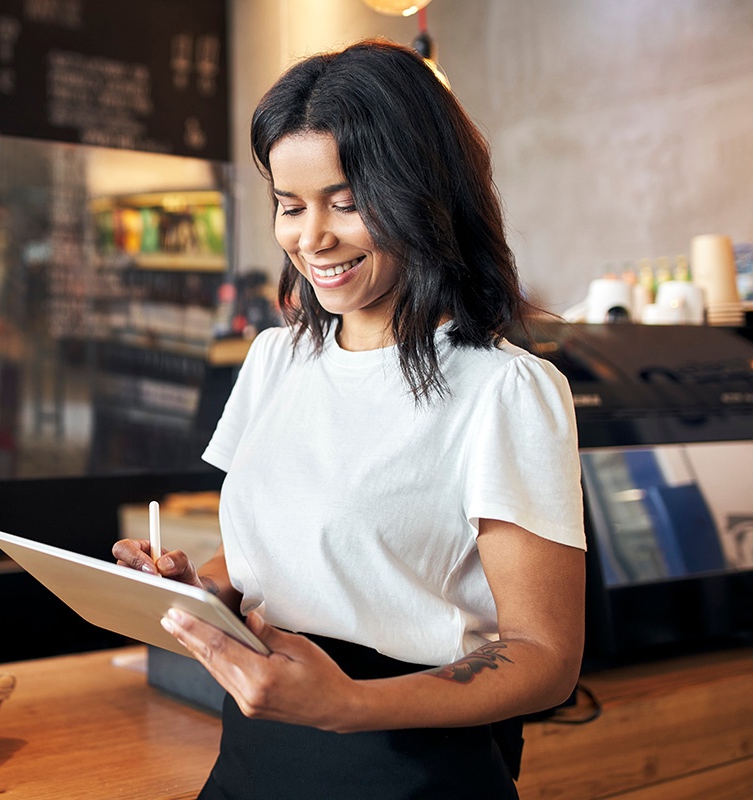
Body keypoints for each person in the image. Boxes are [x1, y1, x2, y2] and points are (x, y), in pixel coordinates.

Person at [113, 39, 586, 799]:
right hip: (253, 755)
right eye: (291, 207)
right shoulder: (274, 360)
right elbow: (271, 556)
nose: (313, 238)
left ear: (423, 194)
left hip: (411, 767)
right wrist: (191, 589)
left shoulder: (506, 390)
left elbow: (547, 655)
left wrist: (352, 705)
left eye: (347, 201)